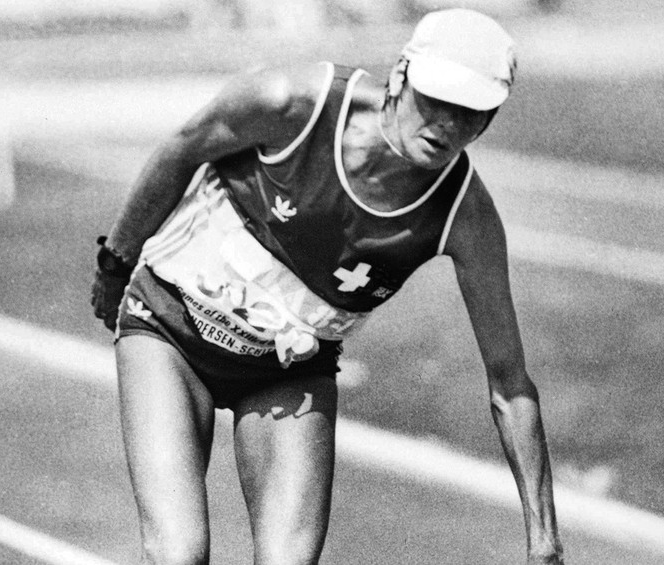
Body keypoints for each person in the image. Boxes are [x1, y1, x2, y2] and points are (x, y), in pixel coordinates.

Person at [91, 8, 564, 565]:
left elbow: (509, 385)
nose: (449, 125)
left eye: (473, 113)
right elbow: (183, 148)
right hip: (172, 330)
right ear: (400, 75)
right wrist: (116, 262)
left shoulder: (465, 217)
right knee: (179, 552)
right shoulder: (290, 103)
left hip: (287, 372)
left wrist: (544, 542)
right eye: (438, 99)